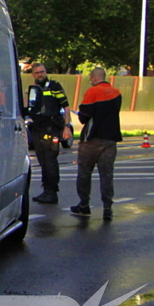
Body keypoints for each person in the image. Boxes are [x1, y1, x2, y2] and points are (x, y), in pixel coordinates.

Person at [70, 67, 122, 220]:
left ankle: (84, 205)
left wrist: (81, 114)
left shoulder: (92, 92)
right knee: (106, 175)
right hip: (111, 140)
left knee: (85, 173)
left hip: (92, 140)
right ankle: (107, 208)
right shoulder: (117, 93)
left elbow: (84, 117)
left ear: (93, 78)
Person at [24, 63, 71, 204]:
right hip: (38, 128)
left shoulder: (54, 86)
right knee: (42, 160)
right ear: (33, 74)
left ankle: (52, 192)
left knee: (50, 161)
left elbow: (66, 107)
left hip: (51, 128)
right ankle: (46, 191)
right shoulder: (33, 89)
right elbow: (27, 108)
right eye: (37, 72)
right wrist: (28, 93)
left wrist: (67, 126)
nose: (40, 74)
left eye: (42, 71)